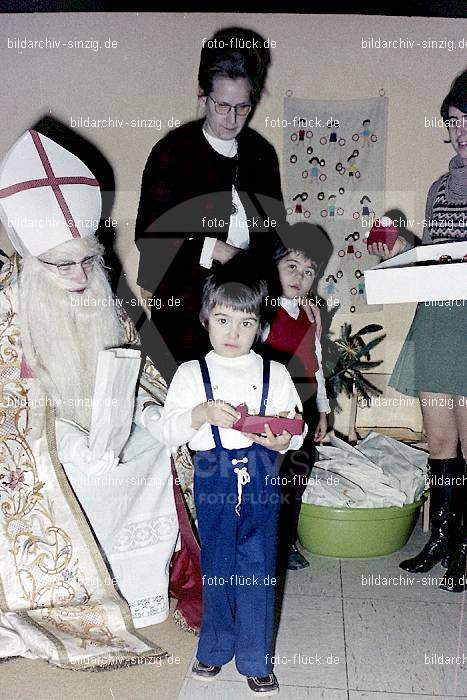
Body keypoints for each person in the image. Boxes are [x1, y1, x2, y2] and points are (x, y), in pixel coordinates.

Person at [0, 129, 201, 670]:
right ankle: (73, 598)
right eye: (62, 266)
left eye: (86, 261)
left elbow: (139, 376)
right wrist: (69, 441)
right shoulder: (8, 311)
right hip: (39, 449)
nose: (79, 276)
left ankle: (138, 591)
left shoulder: (100, 290)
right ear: (32, 262)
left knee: (157, 454)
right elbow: (10, 413)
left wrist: (153, 415)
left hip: (105, 435)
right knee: (76, 472)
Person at [158, 272, 306, 695]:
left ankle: (256, 659)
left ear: (259, 327)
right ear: (206, 319)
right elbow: (168, 432)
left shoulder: (274, 371)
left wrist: (285, 438)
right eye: (223, 320)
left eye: (246, 323)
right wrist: (200, 415)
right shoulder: (191, 373)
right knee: (218, 563)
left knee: (258, 564)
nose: (234, 332)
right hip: (212, 474)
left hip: (260, 471)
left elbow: (295, 425)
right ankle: (214, 647)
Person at [134, 26, 285, 377]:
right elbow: (149, 233)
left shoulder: (261, 154)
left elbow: (274, 234)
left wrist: (290, 290)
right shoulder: (172, 152)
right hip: (186, 307)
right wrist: (214, 249)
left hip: (247, 308)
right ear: (202, 97)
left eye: (243, 107)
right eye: (222, 106)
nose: (232, 119)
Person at [368, 70, 467, 593]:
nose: (461, 131)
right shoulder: (438, 189)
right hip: (437, 320)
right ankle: (442, 540)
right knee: (439, 441)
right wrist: (404, 243)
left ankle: (465, 549)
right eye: (453, 121)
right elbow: (437, 253)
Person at [261, 223, 332, 570]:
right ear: (273, 265)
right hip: (273, 404)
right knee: (269, 477)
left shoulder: (309, 313)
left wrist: (323, 409)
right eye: (292, 266)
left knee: (296, 477)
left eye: (308, 272)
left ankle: (286, 541)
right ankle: (264, 542)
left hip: (304, 403)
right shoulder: (261, 310)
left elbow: (316, 362)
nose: (299, 277)